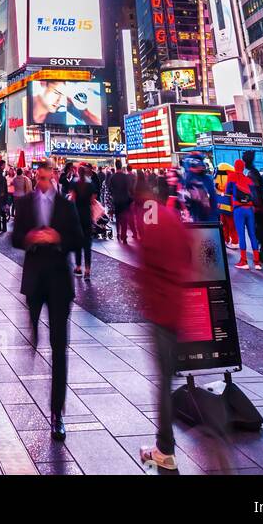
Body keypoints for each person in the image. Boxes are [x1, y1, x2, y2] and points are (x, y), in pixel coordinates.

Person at [11, 160, 81, 442]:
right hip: (35, 278)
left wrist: (58, 237)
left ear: (52, 175)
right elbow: (15, 238)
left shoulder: (66, 204)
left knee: (59, 347)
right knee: (33, 313)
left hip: (60, 282)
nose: (41, 182)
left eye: (45, 177)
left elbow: (78, 238)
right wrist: (29, 237)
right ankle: (33, 325)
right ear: (34, 176)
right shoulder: (25, 204)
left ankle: (57, 413)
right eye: (37, 177)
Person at [133, 174, 191, 473]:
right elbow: (188, 257)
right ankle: (166, 444)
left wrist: (144, 289)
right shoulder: (171, 216)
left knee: (165, 379)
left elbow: (148, 260)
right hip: (177, 305)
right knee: (168, 375)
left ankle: (165, 447)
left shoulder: (153, 218)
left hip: (161, 308)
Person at [227, 159, 261, 270]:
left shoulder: (231, 177)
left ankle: (244, 261)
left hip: (238, 209)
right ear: (243, 167)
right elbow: (254, 196)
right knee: (252, 234)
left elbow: (228, 191)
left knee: (241, 235)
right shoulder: (249, 180)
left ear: (235, 166)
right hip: (250, 209)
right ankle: (257, 262)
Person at [243, 149, 263, 265]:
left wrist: (253, 205)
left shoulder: (252, 174)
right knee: (261, 235)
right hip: (259, 209)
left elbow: (254, 192)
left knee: (259, 234)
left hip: (257, 209)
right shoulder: (254, 172)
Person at [71, 165, 99, 279]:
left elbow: (72, 198)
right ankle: (87, 270)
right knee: (87, 244)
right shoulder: (90, 184)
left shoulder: (74, 182)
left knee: (77, 242)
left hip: (77, 215)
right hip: (87, 215)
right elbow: (93, 200)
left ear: (78, 172)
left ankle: (78, 268)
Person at [109, 160, 133, 244]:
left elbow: (110, 190)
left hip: (116, 200)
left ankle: (118, 233)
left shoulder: (112, 177)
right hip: (125, 200)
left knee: (118, 218)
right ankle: (124, 236)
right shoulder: (125, 177)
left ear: (115, 166)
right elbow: (129, 188)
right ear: (121, 166)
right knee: (125, 219)